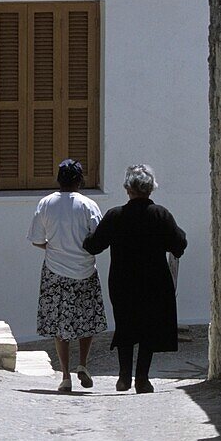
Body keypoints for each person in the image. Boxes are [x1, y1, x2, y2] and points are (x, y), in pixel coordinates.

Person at [83, 164, 186, 394]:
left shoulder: (115, 216)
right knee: (149, 327)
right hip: (154, 282)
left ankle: (123, 378)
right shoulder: (161, 215)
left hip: (123, 282)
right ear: (150, 189)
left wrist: (83, 235)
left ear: (128, 188)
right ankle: (142, 378)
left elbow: (94, 245)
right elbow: (178, 245)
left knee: (126, 325)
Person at [28, 159, 107, 392]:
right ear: (80, 181)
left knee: (60, 324)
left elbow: (37, 240)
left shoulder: (45, 204)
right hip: (84, 270)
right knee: (87, 320)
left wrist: (56, 248)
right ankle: (82, 363)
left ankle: (65, 375)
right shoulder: (89, 206)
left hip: (55, 271)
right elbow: (98, 240)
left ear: (58, 179)